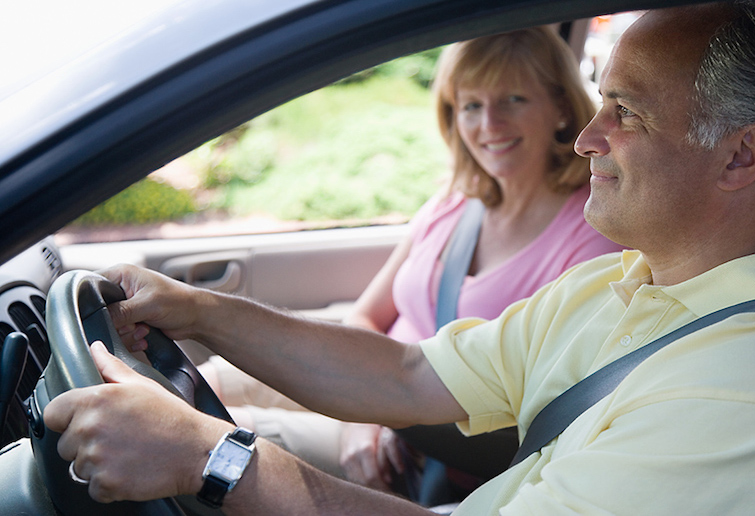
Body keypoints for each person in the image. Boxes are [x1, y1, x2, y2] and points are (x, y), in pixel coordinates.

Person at [44, 1, 755, 514]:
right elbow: (407, 374)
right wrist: (199, 309)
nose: (587, 137)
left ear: (741, 156)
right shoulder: (618, 281)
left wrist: (211, 457)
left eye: (626, 112)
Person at [198, 26, 623, 499]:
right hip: (369, 399)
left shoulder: (593, 236)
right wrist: (366, 414)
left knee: (219, 438)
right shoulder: (456, 200)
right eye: (471, 106)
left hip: (434, 450)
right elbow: (365, 315)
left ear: (562, 107)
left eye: (514, 100)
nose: (489, 125)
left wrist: (378, 416)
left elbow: (540, 409)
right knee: (207, 379)